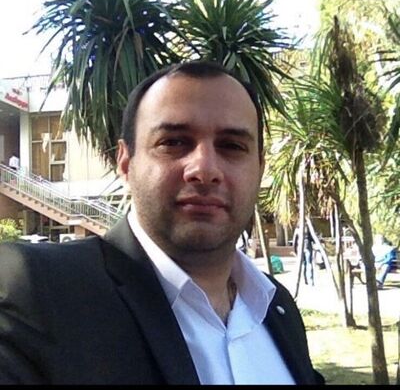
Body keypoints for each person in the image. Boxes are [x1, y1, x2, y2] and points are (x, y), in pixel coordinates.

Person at [0, 61, 324, 385]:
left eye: (232, 146)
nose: (205, 169)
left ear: (259, 168)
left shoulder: (277, 307)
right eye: (173, 142)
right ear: (125, 163)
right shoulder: (40, 292)